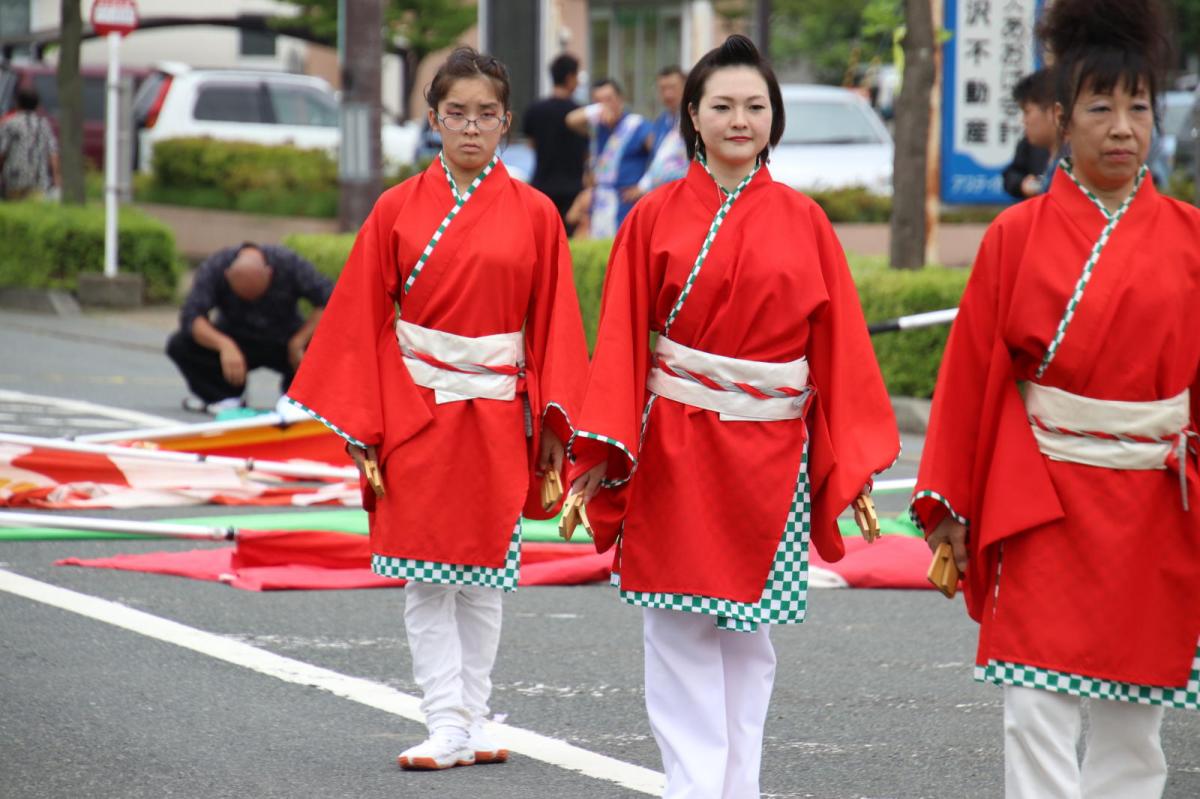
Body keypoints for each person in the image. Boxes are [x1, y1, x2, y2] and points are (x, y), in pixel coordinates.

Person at [568, 35, 899, 799]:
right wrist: (603, 446)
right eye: (723, 105)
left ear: (774, 118)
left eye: (756, 105)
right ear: (692, 116)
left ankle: (738, 787)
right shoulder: (652, 216)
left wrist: (847, 456)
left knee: (750, 636)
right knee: (678, 627)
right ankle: (694, 787)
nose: (740, 119)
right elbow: (620, 337)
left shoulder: (806, 220)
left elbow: (839, 344)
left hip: (772, 450)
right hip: (677, 443)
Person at [912, 1, 1200, 796]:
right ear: (1060, 122)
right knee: (1035, 702)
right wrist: (955, 507)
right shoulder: (1016, 236)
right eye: (1099, 107)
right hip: (1042, 503)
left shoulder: (1191, 238)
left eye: (1137, 107)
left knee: (1136, 718)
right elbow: (972, 380)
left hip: (1153, 505)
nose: (1121, 127)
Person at [286, 47, 588, 771]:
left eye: (487, 114)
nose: (472, 127)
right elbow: (359, 318)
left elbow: (554, 324)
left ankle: (474, 715)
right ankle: (443, 718)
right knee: (426, 573)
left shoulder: (538, 213)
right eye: (457, 113)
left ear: (507, 122)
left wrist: (553, 424)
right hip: (416, 408)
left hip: (496, 411)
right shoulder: (396, 209)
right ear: (433, 119)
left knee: (486, 571)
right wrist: (365, 421)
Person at [167, 243, 332, 414]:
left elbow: (330, 300)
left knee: (327, 346)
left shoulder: (288, 262)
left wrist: (300, 340)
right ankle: (224, 398)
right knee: (180, 344)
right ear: (227, 275)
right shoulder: (215, 266)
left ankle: (298, 398)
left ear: (270, 272)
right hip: (236, 340)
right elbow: (192, 316)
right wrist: (224, 345)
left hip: (286, 339)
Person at [565, 79, 652, 237]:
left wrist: (645, 185)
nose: (605, 106)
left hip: (626, 202)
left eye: (609, 100)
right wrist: (597, 110)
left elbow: (659, 153)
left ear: (620, 100)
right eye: (598, 101)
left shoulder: (635, 125)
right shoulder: (597, 128)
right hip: (600, 203)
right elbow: (570, 120)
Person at [522, 53, 589, 233]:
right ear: (569, 78)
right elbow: (587, 153)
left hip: (541, 187)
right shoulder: (580, 113)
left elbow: (531, 144)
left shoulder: (534, 110)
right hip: (572, 190)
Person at [624, 65, 690, 204]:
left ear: (686, 87)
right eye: (662, 89)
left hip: (686, 194)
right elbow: (658, 161)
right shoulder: (660, 123)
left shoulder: (695, 120)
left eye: (672, 87)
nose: (668, 94)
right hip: (663, 196)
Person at [1002, 69, 1056, 200]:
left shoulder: (1080, 164)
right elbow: (1012, 173)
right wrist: (1021, 184)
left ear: (1055, 111)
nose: (1023, 120)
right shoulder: (1030, 143)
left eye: (1027, 112)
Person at [0, 86, 60, 201]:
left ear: (17, 103)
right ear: (37, 105)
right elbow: (53, 153)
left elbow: (2, 153)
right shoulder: (44, 124)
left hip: (14, 180)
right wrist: (57, 180)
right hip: (39, 181)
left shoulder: (10, 124)